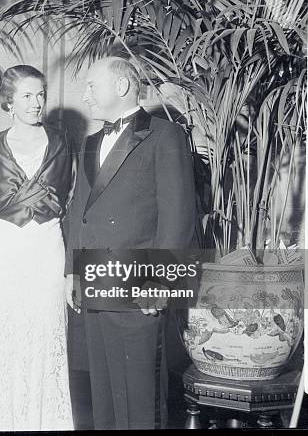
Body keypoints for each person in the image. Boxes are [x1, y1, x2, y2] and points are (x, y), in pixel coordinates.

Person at [65, 56, 197, 429]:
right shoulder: (91, 141)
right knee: (104, 397)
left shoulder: (164, 135)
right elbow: (80, 211)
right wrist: (72, 273)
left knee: (141, 399)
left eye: (92, 86)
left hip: (140, 287)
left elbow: (178, 215)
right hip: (94, 284)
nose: (86, 95)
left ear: (121, 87)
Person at [0, 65, 76, 431]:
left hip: (47, 250)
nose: (36, 103)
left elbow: (73, 206)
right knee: (6, 348)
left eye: (40, 94)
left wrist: (71, 269)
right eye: (26, 96)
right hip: (6, 252)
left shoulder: (62, 143)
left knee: (47, 342)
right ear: (8, 102)